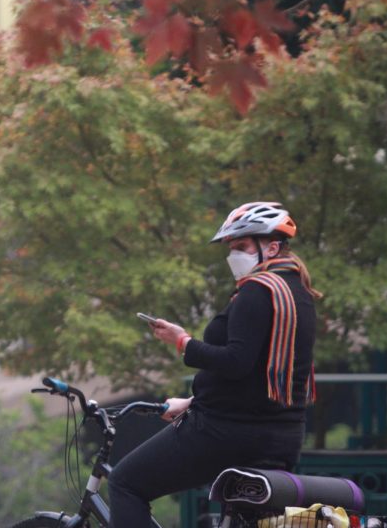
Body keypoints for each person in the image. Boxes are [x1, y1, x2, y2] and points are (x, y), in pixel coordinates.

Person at [107, 201, 322, 527]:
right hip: (283, 435)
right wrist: (193, 401)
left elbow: (236, 362)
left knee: (125, 483)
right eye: (231, 248)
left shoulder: (256, 292)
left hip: (225, 433)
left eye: (242, 246)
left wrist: (183, 342)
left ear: (272, 246)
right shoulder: (298, 294)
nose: (234, 255)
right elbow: (257, 375)